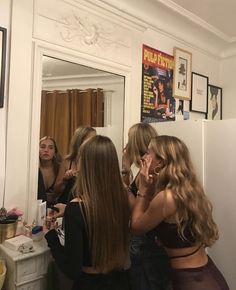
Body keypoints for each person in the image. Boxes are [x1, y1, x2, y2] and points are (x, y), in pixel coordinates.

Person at [131, 135, 229, 290]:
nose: (144, 157)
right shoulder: (188, 189)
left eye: (149, 152)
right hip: (206, 272)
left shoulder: (166, 198)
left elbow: (136, 226)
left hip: (191, 281)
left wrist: (142, 189)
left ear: (161, 162)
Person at [45, 135, 131, 290]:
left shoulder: (76, 209)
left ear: (85, 166)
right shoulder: (122, 200)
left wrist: (51, 236)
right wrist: (70, 212)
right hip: (119, 281)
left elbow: (72, 270)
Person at [122, 123, 171, 290]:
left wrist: (126, 190)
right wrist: (126, 169)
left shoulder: (151, 175)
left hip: (146, 245)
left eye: (129, 140)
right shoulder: (145, 171)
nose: (126, 145)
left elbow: (138, 210)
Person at [54, 126, 96, 204]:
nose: (94, 143)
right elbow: (56, 191)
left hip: (87, 207)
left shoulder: (96, 162)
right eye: (90, 140)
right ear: (79, 141)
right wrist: (64, 180)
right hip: (65, 206)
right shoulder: (67, 161)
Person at [38, 136, 61, 205]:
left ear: (55, 152)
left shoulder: (60, 169)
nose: (46, 150)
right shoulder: (33, 169)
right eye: (42, 147)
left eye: (50, 148)